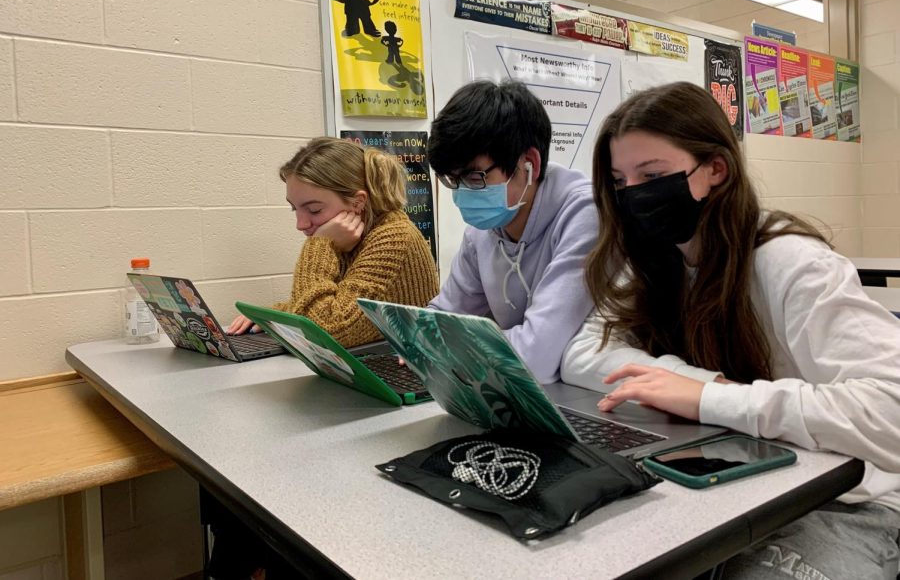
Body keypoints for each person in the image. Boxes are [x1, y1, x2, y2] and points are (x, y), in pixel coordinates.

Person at [562, 81, 900, 579]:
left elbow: (890, 410)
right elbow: (585, 352)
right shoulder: (658, 258)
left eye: (651, 175)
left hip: (844, 501)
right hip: (728, 485)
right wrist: (690, 383)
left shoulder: (793, 262)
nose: (634, 196)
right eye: (619, 181)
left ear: (715, 170)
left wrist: (708, 398)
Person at [426, 80, 598, 383]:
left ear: (528, 163)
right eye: (452, 180)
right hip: (521, 393)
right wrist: (422, 342)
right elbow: (442, 319)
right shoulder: (484, 229)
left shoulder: (585, 213)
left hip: (592, 399)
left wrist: (447, 350)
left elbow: (537, 358)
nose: (462, 194)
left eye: (473, 176)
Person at [228, 136, 439, 348]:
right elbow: (334, 302)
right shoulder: (352, 237)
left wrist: (319, 246)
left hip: (401, 377)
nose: (301, 224)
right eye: (295, 208)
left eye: (314, 210)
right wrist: (275, 316)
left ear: (358, 202)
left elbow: (323, 331)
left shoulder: (394, 238)